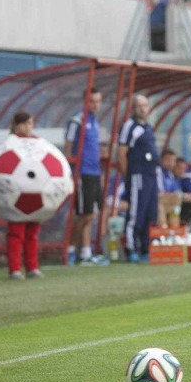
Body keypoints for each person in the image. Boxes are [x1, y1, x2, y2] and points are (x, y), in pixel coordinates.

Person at [64, 88, 109, 266]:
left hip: (94, 172)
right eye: (92, 101)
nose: (95, 105)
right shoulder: (77, 121)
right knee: (84, 214)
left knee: (92, 214)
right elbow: (68, 146)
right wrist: (71, 171)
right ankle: (70, 250)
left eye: (98, 101)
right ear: (85, 101)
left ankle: (86, 252)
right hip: (82, 173)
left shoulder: (94, 121)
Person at [118, 94, 160, 263]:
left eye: (145, 105)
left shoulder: (148, 127)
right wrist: (127, 176)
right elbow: (122, 153)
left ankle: (145, 248)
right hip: (138, 175)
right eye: (139, 106)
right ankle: (131, 248)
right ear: (133, 108)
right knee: (136, 213)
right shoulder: (129, 126)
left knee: (151, 213)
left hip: (151, 175)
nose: (143, 109)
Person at [5, 111, 45, 280]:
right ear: (17, 125)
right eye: (27, 123)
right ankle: (15, 269)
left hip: (34, 194)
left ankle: (32, 267)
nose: (29, 127)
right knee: (16, 233)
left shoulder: (37, 143)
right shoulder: (9, 144)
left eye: (31, 123)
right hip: (16, 195)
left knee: (32, 233)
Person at [156, 149, 181, 228]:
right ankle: (163, 229)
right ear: (161, 160)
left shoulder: (170, 174)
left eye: (173, 160)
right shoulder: (158, 171)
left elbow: (176, 191)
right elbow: (160, 193)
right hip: (155, 201)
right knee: (160, 205)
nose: (171, 163)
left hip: (166, 202)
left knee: (176, 202)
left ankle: (174, 228)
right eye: (168, 160)